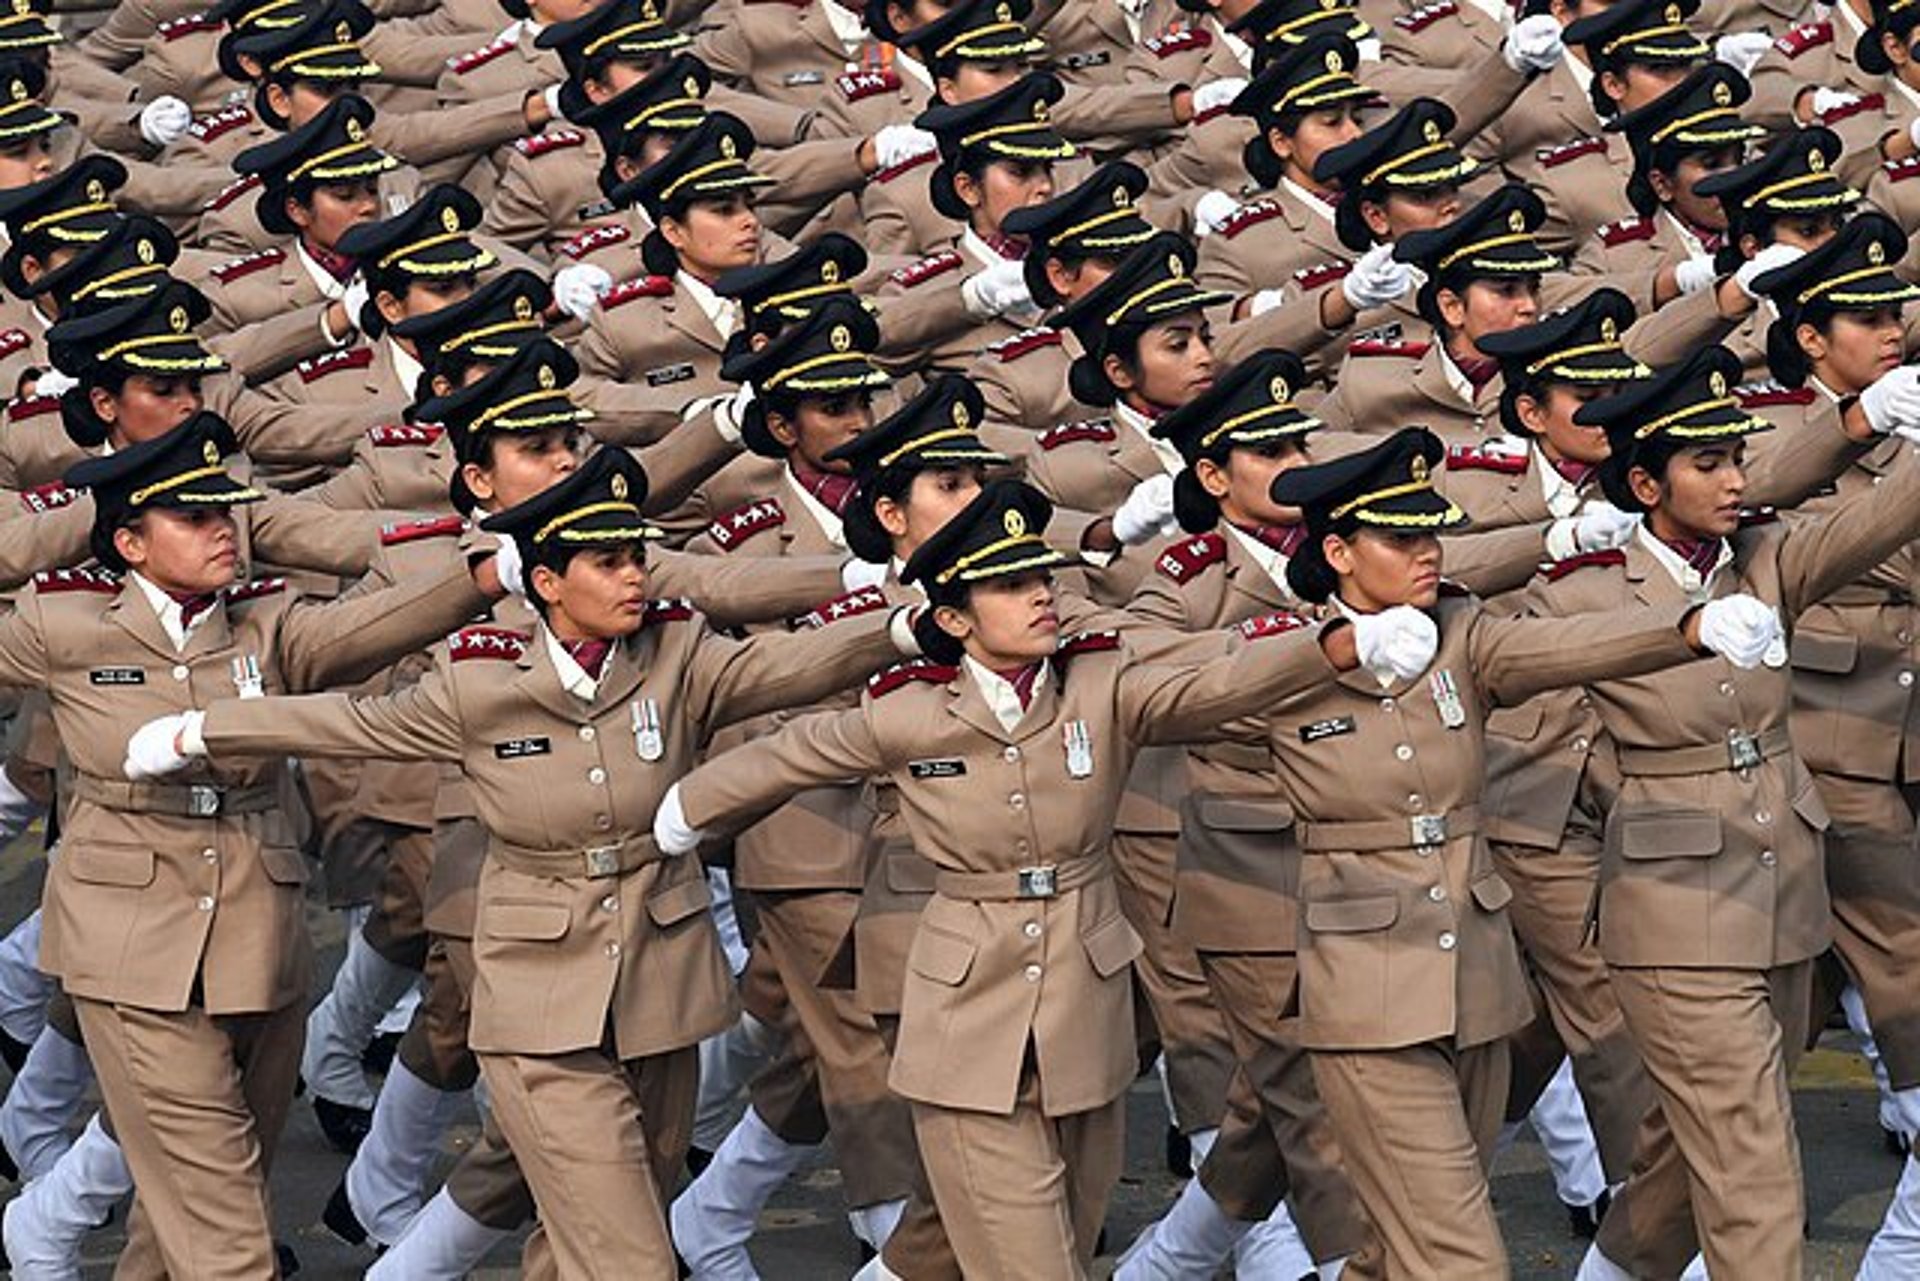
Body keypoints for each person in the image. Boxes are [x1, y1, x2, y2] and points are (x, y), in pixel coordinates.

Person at [127, 445, 926, 1278]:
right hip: (539, 999)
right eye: (606, 562)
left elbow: (788, 667)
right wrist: (204, 730)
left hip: (660, 986)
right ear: (546, 583)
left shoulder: (677, 654)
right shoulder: (482, 684)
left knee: (584, 1241)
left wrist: (900, 629)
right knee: (629, 1258)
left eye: (636, 558)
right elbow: (346, 723)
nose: (634, 578)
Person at [654, 477, 1398, 1279]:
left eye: (1042, 577)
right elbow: (791, 753)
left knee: (1050, 1240)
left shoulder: (1099, 684)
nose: (1042, 596)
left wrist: (1334, 647)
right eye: (1011, 585)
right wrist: (686, 809)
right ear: (953, 617)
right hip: (966, 1024)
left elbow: (1216, 684)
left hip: (1084, 1017)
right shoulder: (910, 712)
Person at [1262, 424, 1779, 1275]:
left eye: (1430, 533)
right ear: (1339, 552)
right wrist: (1330, 651)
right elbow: (1176, 696)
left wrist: (1687, 628)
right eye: (1401, 539)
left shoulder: (1459, 631)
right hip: (1364, 984)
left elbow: (1564, 646)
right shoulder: (1285, 654)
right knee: (1460, 1255)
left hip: (1471, 975)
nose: (1428, 553)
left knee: (1401, 1245)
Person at [0, 410, 505, 1278]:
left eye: (224, 511)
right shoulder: (63, 620)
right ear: (128, 540)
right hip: (133, 950)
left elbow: (377, 626)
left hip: (260, 943)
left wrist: (491, 575)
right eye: (192, 517)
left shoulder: (266, 621)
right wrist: (83, 516)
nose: (222, 530)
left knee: (181, 1225)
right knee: (229, 1232)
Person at [1528, 332, 1920, 1279]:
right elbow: (1535, 676)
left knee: (1676, 1170)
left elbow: (1869, 527)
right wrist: (1684, 626)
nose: (1736, 477)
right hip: (1677, 917)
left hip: (1780, 903)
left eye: (1737, 455)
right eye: (1708, 462)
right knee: (1756, 1183)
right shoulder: (1585, 587)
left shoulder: (1762, 556)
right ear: (1646, 483)